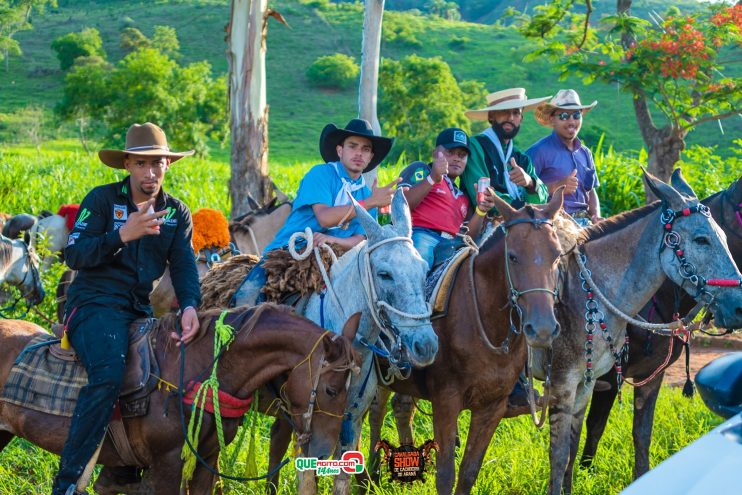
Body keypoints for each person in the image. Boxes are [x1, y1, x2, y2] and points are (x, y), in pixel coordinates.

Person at [52, 123, 202, 495]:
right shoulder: (102, 201)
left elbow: (183, 265)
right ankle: (68, 482)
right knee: (107, 374)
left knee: (163, 377)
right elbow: (74, 254)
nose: (150, 173)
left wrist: (189, 306)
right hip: (93, 303)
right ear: (128, 166)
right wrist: (122, 235)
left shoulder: (177, 213)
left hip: (139, 309)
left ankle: (121, 468)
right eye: (142, 164)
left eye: (158, 164)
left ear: (168, 164)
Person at [232, 118, 399, 307]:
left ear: (370, 158)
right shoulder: (320, 174)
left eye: (366, 149)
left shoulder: (366, 194)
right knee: (245, 300)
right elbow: (325, 217)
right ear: (340, 150)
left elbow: (361, 239)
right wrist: (369, 203)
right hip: (289, 253)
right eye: (353, 146)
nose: (359, 153)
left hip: (337, 262)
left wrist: (333, 240)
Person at [398, 127, 495, 271]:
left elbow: (468, 237)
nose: (456, 158)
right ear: (435, 153)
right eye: (450, 152)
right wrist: (432, 179)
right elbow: (401, 205)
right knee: (420, 265)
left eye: (462, 155)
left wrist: (481, 211)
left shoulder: (463, 196)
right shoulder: (422, 170)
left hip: (452, 244)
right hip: (422, 235)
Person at [460, 87, 550, 211]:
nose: (511, 118)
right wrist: (522, 209)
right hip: (483, 225)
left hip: (522, 222)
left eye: (516, 112)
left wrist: (529, 183)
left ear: (521, 118)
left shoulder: (521, 157)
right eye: (504, 111)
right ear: (491, 116)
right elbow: (482, 196)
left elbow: (542, 199)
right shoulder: (475, 147)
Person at [528, 89, 602, 226]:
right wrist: (557, 186)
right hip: (554, 225)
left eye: (576, 115)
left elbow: (591, 191)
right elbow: (523, 192)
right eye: (563, 116)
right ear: (552, 119)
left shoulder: (585, 153)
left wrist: (596, 215)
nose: (571, 121)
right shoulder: (538, 151)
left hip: (586, 223)